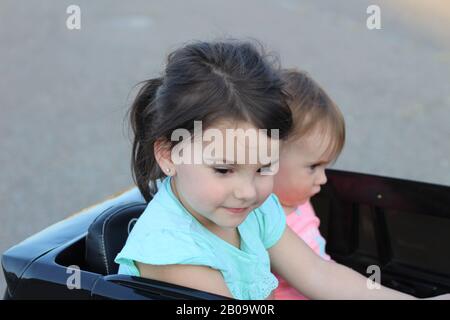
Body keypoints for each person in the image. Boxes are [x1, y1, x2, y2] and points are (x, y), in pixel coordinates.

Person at [114, 39, 448, 300]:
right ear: (169, 154)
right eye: (223, 169)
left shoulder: (253, 210)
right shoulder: (171, 252)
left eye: (264, 167)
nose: (248, 191)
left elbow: (319, 275)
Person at [272, 69, 344, 299]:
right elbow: (318, 276)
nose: (323, 178)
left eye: (325, 167)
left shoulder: (296, 200)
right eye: (313, 167)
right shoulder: (261, 220)